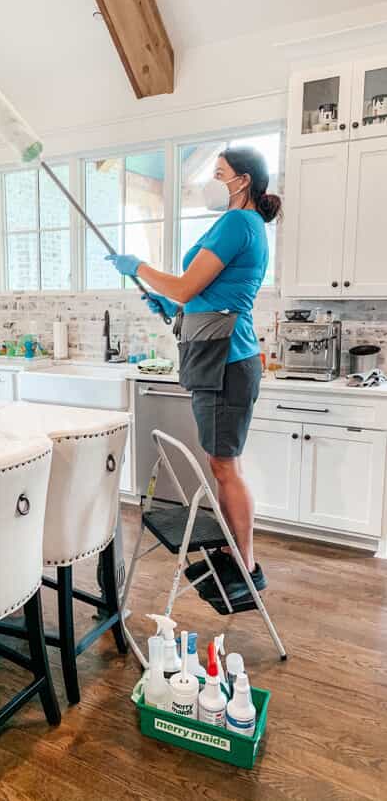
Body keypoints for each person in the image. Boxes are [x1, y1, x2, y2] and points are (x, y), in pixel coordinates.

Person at [106, 146, 282, 602]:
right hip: (222, 356)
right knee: (224, 464)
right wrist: (170, 305)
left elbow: (188, 286)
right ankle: (234, 549)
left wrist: (139, 267)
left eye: (219, 172)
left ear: (242, 180)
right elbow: (201, 296)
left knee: (224, 466)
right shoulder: (242, 225)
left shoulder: (239, 223)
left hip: (227, 360)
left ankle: (245, 566)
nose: (212, 180)